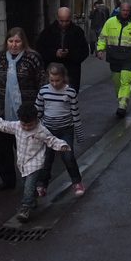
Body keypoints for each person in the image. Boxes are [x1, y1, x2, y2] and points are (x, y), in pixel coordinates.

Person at [0, 28, 46, 191]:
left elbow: (41, 82)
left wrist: (41, 107)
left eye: (17, 41)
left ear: (23, 42)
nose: (14, 45)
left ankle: (31, 181)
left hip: (26, 112)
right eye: (10, 41)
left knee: (27, 148)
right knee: (3, 149)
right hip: (1, 111)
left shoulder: (33, 59)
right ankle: (7, 180)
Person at [0, 102, 69, 222]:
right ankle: (33, 198)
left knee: (28, 186)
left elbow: (51, 140)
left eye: (29, 125)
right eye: (23, 124)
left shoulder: (41, 131)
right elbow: (3, 125)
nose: (25, 127)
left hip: (35, 162)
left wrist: (62, 145)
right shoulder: (17, 126)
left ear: (36, 120)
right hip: (22, 162)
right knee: (26, 183)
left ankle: (25, 208)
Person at [35, 62, 84, 197]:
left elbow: (75, 113)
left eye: (58, 80)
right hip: (48, 130)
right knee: (46, 159)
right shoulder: (44, 91)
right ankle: (42, 184)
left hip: (65, 130)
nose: (55, 84)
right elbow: (38, 111)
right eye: (52, 81)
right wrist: (34, 129)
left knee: (68, 157)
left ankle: (76, 181)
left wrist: (79, 134)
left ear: (64, 78)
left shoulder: (70, 92)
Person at [96, 0, 131, 117]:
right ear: (120, 10)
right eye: (123, 10)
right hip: (114, 56)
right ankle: (121, 101)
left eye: (127, 11)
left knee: (126, 80)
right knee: (117, 82)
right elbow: (103, 37)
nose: (125, 13)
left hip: (128, 56)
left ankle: (122, 106)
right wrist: (100, 49)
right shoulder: (110, 22)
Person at [36, 7, 90, 93]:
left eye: (67, 21)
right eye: (61, 21)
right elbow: (40, 51)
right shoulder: (47, 32)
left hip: (71, 72)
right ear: (57, 18)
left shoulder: (78, 32)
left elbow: (84, 52)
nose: (64, 24)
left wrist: (69, 54)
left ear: (70, 18)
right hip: (52, 73)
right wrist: (55, 54)